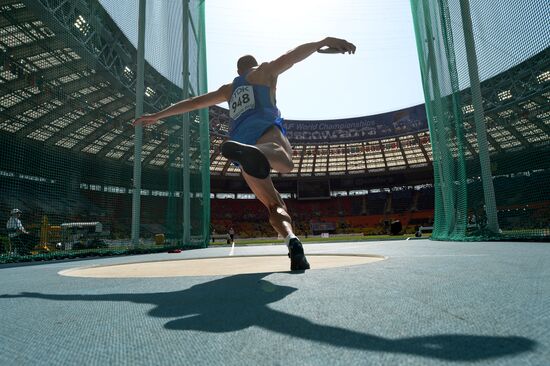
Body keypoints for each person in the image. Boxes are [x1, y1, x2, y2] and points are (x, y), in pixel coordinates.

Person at [134, 37, 357, 270]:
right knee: (286, 163)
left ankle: (291, 239)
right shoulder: (265, 71)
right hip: (265, 131)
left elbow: (193, 102)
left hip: (240, 141)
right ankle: (259, 152)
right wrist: (323, 41)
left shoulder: (228, 90)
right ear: (254, 64)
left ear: (237, 70)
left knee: (274, 204)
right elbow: (292, 56)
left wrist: (158, 115)